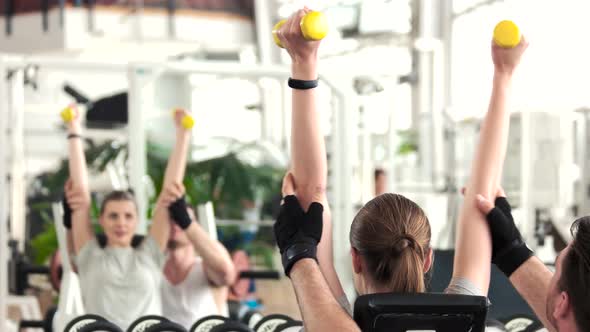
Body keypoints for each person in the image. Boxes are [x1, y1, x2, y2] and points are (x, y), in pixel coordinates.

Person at [272, 8, 528, 331]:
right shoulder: (461, 320)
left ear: (355, 260)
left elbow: (311, 193)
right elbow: (482, 197)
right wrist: (504, 74)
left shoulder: (333, 320)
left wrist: (303, 61)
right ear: (427, 259)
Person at [64, 106, 170, 330]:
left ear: (137, 220)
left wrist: (183, 133)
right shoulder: (90, 256)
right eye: (113, 216)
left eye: (128, 216)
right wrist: (74, 129)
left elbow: (169, 195)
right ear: (101, 220)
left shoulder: (150, 254)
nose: (121, 223)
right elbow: (81, 196)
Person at [154, 110, 237, 328]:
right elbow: (167, 193)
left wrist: (187, 222)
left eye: (179, 219)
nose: (175, 223)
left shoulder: (205, 268)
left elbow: (226, 272)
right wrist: (182, 135)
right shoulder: (151, 269)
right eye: (173, 219)